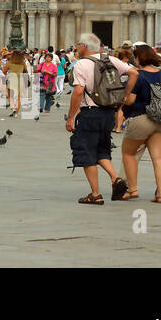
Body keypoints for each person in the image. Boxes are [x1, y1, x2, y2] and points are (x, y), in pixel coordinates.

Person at [65, 33, 132, 204]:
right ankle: (116, 179)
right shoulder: (111, 60)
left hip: (90, 113)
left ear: (84, 46)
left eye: (78, 44)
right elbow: (134, 73)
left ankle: (95, 194)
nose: (77, 47)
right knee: (101, 149)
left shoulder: (82, 64)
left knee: (85, 151)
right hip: (108, 113)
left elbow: (78, 92)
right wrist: (125, 95)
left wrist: (71, 117)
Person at [119, 45, 161, 202]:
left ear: (138, 58)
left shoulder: (137, 75)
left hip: (141, 118)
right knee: (159, 158)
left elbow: (130, 100)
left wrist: (124, 97)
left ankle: (132, 189)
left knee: (129, 154)